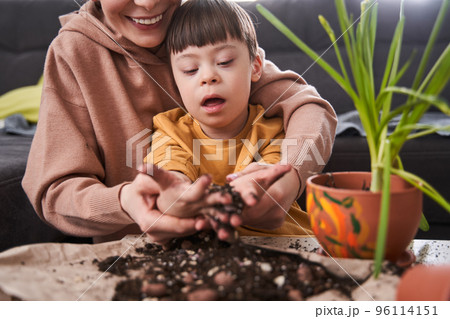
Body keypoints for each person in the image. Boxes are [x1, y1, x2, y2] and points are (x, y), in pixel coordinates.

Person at [22, 0, 337, 245]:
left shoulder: (197, 24)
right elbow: (56, 190)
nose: (147, 4)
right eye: (188, 69)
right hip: (149, 265)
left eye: (224, 62)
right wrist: (128, 201)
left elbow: (307, 107)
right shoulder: (74, 53)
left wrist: (291, 173)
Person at [146, 0, 313, 239]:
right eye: (190, 69)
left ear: (256, 67)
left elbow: (269, 180)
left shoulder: (273, 130)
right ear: (174, 80)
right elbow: (172, 173)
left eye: (224, 62)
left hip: (283, 242)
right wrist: (177, 193)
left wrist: (253, 189)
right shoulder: (169, 129)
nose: (208, 77)